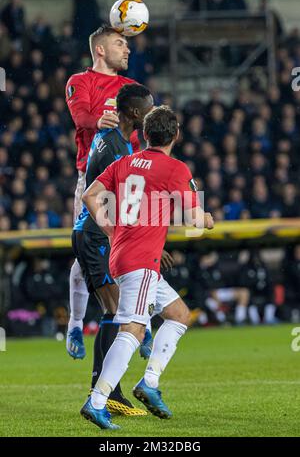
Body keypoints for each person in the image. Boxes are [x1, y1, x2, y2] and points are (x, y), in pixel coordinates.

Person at [80, 105, 214, 430]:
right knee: (133, 328)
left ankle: (149, 383)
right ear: (176, 135)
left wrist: (110, 230)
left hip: (126, 256)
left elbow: (89, 195)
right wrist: (207, 218)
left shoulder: (124, 163)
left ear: (143, 134)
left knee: (180, 315)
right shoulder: (175, 168)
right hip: (141, 260)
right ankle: (97, 401)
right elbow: (195, 219)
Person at [65, 25, 150, 415]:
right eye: (120, 42)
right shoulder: (80, 81)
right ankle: (77, 325)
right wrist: (100, 120)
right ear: (100, 48)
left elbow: (150, 128)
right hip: (96, 178)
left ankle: (135, 329)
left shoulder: (131, 87)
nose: (127, 48)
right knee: (95, 266)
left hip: (125, 179)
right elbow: (82, 116)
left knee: (126, 272)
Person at [73, 83, 166, 416]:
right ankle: (108, 393)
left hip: (97, 233)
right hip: (97, 234)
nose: (154, 112)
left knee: (113, 311)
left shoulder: (121, 141)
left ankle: (107, 390)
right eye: (150, 107)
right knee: (115, 310)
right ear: (136, 113)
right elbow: (106, 199)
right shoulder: (114, 145)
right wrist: (122, 237)